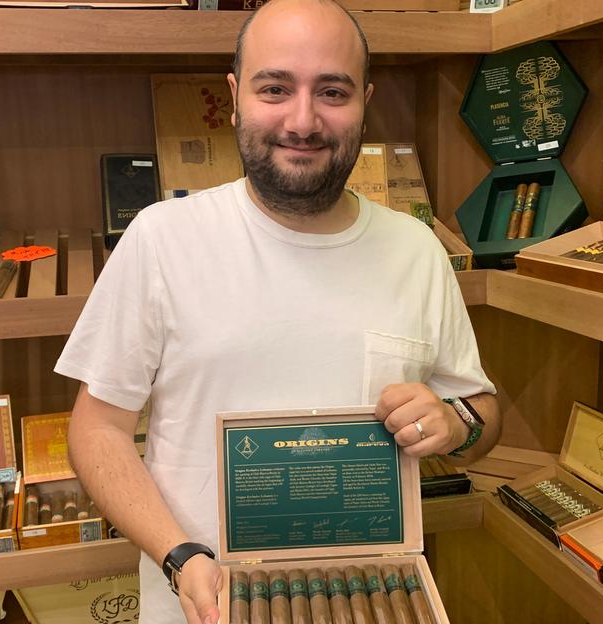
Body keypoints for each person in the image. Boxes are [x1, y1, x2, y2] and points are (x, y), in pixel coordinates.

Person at [54, 1, 500, 622]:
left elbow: (481, 412)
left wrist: (455, 426)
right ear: (235, 96)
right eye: (275, 88)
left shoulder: (416, 250)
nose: (303, 119)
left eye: (333, 91)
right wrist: (178, 554)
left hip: (373, 603)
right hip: (203, 606)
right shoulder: (162, 239)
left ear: (365, 100)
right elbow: (96, 430)